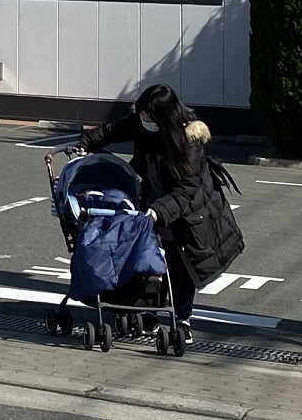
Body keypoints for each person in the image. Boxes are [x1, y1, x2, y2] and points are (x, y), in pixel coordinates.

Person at [79, 82, 244, 335]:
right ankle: (147, 313)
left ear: (163, 118)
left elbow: (186, 190)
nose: (143, 120)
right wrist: (84, 144)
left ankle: (182, 321)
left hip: (186, 211)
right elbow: (112, 131)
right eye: (142, 115)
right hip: (153, 199)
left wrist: (158, 210)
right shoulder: (141, 123)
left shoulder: (188, 141)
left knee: (180, 265)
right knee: (146, 259)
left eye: (148, 117)